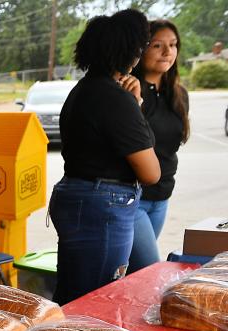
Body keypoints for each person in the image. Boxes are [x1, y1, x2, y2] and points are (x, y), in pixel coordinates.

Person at [48, 9, 160, 305]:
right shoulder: (115, 99)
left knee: (73, 293)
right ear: (130, 54)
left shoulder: (81, 91)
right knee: (94, 301)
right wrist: (134, 105)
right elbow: (151, 173)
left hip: (77, 196)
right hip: (103, 206)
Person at [127, 19, 190, 272]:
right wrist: (136, 102)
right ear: (141, 50)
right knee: (150, 271)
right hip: (134, 197)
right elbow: (132, 140)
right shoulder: (129, 88)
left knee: (134, 273)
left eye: (173, 45)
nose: (168, 52)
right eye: (158, 45)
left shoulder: (178, 93)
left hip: (162, 197)